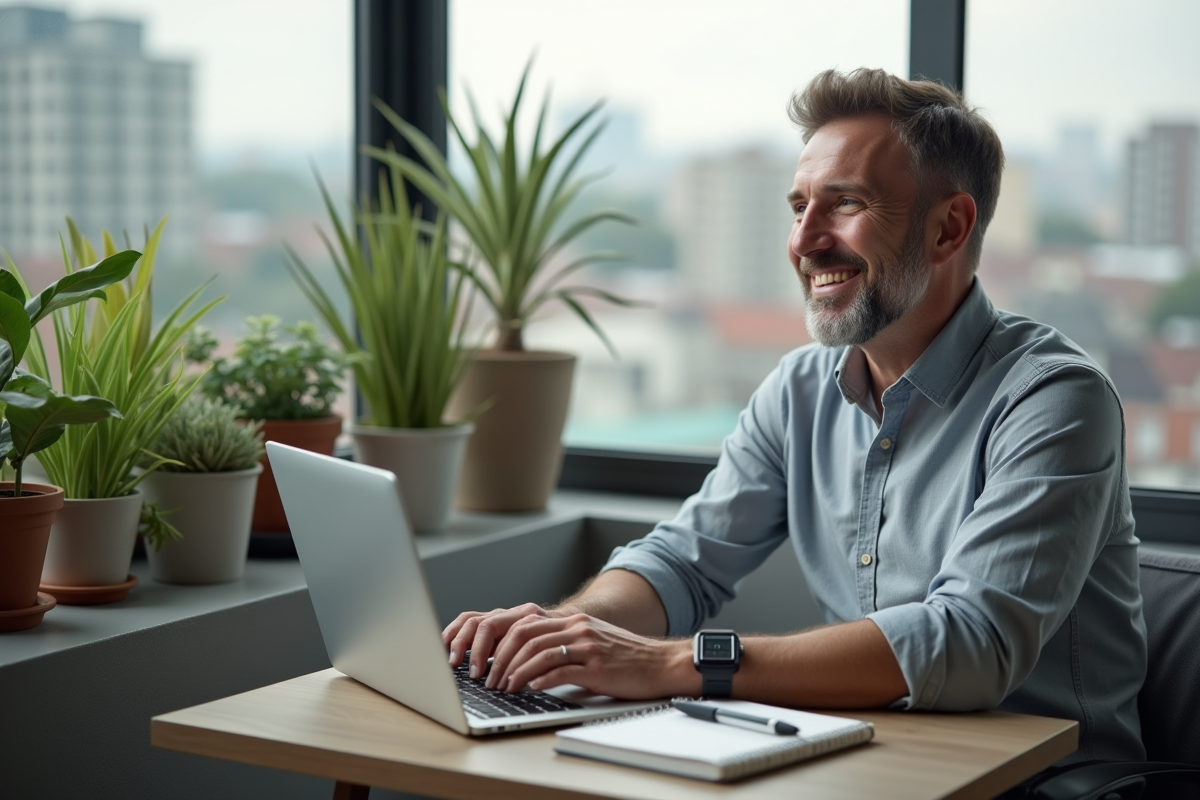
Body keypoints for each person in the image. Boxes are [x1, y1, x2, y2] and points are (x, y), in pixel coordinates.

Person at [443, 68, 1147, 762]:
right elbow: (684, 562)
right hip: (870, 762)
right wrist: (559, 636)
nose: (805, 241)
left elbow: (970, 642)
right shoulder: (799, 389)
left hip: (1043, 782)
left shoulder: (1054, 399)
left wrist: (669, 663)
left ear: (948, 229)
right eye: (798, 206)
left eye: (845, 204)